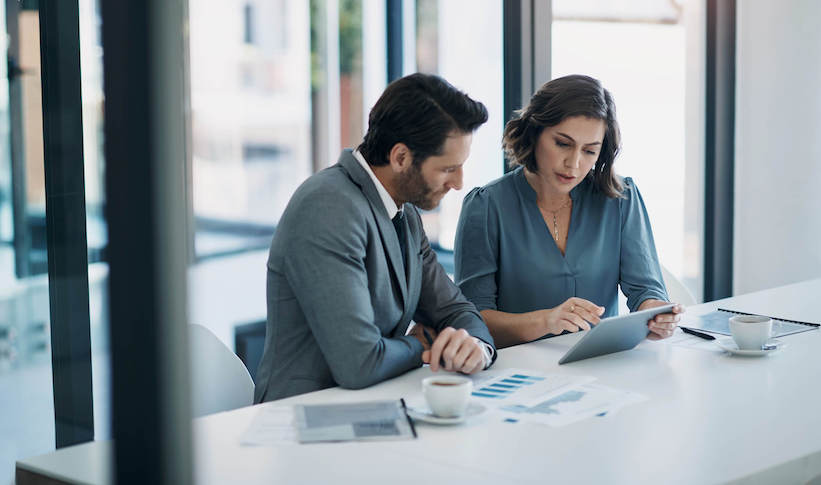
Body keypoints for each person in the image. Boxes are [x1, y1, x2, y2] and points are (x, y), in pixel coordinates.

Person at [254, 73, 496, 402]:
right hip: (304, 420)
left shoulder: (404, 213)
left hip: (375, 407)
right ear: (400, 158)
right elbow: (360, 363)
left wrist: (474, 347)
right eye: (447, 169)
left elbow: (456, 309)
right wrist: (423, 345)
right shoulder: (327, 207)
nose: (459, 183)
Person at [453, 74, 683, 349]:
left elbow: (645, 290)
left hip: (600, 363)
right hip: (517, 372)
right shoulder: (486, 206)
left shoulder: (621, 198)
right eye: (563, 143)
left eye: (589, 151)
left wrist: (655, 312)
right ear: (534, 133)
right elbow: (472, 321)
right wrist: (546, 321)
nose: (573, 164)